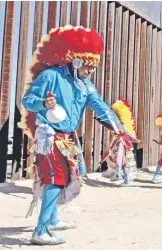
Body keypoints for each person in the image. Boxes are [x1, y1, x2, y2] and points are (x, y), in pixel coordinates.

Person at [19, 25, 121, 245]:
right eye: (88, 67)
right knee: (56, 179)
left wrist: (119, 127)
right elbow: (27, 100)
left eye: (94, 69)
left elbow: (100, 106)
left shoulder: (86, 85)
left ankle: (53, 219)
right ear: (76, 61)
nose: (90, 72)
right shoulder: (50, 76)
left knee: (63, 179)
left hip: (68, 138)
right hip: (50, 136)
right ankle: (41, 231)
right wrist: (43, 103)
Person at [98, 99, 139, 187]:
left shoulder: (124, 128)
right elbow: (111, 127)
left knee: (123, 164)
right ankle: (120, 176)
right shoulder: (119, 126)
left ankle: (126, 180)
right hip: (119, 147)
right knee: (118, 163)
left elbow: (115, 130)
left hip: (123, 148)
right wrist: (100, 121)